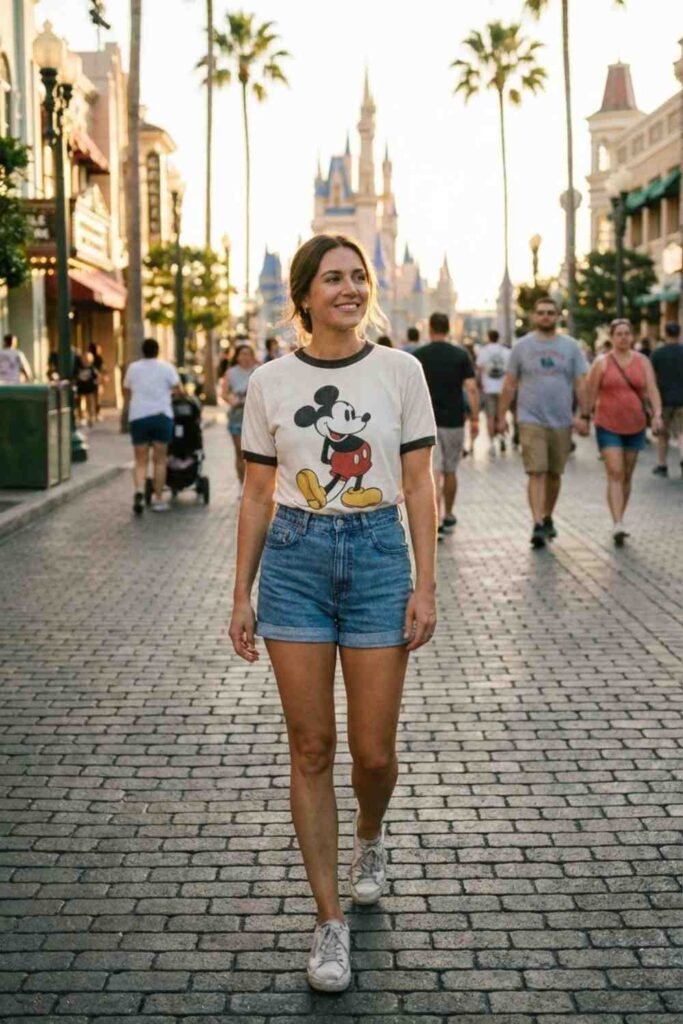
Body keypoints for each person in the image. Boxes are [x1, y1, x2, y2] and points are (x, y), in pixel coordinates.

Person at [229, 233, 437, 994]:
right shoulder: (270, 381)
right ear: (304, 295)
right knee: (311, 748)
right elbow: (255, 492)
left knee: (372, 754)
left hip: (379, 558)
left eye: (359, 277)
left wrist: (426, 584)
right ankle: (328, 922)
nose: (348, 289)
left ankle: (370, 837)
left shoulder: (400, 370)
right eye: (332, 279)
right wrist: (239, 592)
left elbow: (419, 484)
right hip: (296, 561)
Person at [497, 297, 590, 548]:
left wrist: (584, 415)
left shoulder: (571, 347)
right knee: (536, 470)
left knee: (554, 473)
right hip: (530, 419)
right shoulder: (521, 347)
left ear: (558, 315)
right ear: (534, 316)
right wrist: (501, 417)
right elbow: (510, 383)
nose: (546, 316)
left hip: (561, 420)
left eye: (550, 312)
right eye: (541, 313)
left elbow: (581, 382)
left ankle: (548, 515)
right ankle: (537, 522)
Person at [586, 318, 662, 545]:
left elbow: (652, 389)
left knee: (627, 474)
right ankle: (617, 523)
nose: (623, 337)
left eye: (627, 333)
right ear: (611, 337)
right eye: (618, 334)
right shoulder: (601, 363)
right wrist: (583, 416)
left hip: (635, 424)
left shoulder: (643, 362)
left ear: (632, 336)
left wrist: (657, 415)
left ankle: (620, 515)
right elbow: (591, 392)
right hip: (607, 424)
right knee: (615, 471)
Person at [413, 312, 479, 536]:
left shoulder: (419, 355)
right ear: (448, 328)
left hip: (426, 422)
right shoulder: (460, 355)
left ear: (430, 328)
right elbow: (471, 387)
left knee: (433, 472)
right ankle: (448, 514)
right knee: (451, 470)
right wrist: (476, 418)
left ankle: (436, 520)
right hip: (454, 422)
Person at [123, 338, 181, 515]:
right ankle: (158, 499)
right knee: (160, 460)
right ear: (158, 350)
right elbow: (179, 390)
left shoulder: (133, 368)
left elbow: (126, 389)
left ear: (143, 350)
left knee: (140, 460)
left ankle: (139, 490)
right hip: (161, 416)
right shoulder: (166, 368)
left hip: (138, 416)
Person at [220, 342, 259, 489]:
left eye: (248, 354)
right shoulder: (231, 373)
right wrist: (232, 400)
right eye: (242, 354)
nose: (246, 357)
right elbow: (224, 394)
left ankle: (253, 486)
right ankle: (242, 485)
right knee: (240, 453)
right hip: (237, 417)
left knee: (254, 454)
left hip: (256, 418)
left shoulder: (259, 371)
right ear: (237, 357)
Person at [651, 322, 683, 478]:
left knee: (662, 434)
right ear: (679, 333)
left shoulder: (657, 354)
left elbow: (652, 379)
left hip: (663, 399)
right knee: (682, 433)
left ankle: (662, 464)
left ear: (665, 333)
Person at [476, 328, 510, 456]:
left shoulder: (484, 351)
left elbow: (479, 369)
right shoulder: (506, 351)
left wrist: (479, 383)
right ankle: (502, 439)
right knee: (502, 415)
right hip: (503, 388)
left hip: (489, 388)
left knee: (490, 417)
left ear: (488, 337)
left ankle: (491, 444)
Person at [75, 351, 99, 426]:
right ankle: (81, 417)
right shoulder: (78, 367)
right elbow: (75, 376)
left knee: (90, 403)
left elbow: (97, 377)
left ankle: (90, 418)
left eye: (87, 359)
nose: (85, 360)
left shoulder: (92, 368)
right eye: (84, 359)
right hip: (81, 388)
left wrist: (97, 385)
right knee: (79, 403)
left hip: (89, 388)